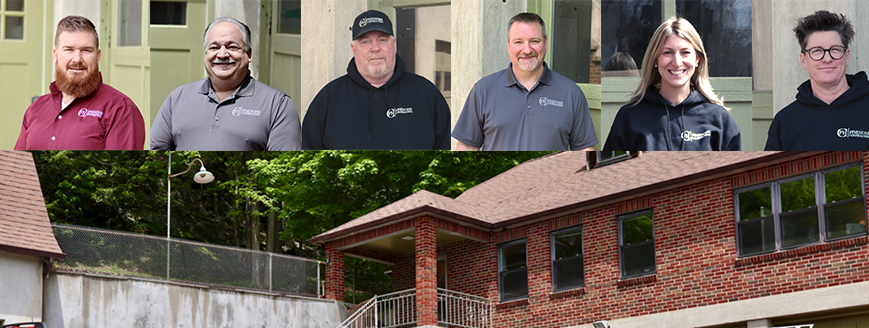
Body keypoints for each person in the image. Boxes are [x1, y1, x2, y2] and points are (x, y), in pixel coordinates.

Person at [301, 10, 450, 150]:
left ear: (394, 44)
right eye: (365, 42)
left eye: (382, 40)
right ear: (354, 49)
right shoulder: (327, 100)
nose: (375, 48)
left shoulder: (426, 94)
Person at [150, 17, 301, 151]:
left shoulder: (277, 104)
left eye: (232, 47)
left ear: (248, 54)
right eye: (214, 47)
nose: (222, 54)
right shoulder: (177, 98)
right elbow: (157, 152)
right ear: (206, 54)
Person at [453, 13, 597, 151]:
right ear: (509, 45)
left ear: (545, 43)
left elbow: (585, 150)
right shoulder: (483, 90)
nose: (527, 50)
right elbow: (467, 147)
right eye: (518, 42)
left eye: (534, 41)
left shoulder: (571, 92)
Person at [765, 10, 869, 150]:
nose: (827, 59)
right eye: (817, 51)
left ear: (846, 56)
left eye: (835, 50)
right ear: (803, 60)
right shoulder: (785, 122)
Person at [603, 17, 740, 151]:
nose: (677, 62)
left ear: (697, 59)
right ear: (655, 59)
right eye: (668, 52)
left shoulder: (720, 119)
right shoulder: (629, 118)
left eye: (685, 52)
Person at [15, 15, 145, 150]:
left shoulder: (120, 109)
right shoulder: (35, 109)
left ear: (97, 56)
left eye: (86, 50)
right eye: (69, 49)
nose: (77, 59)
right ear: (55, 55)